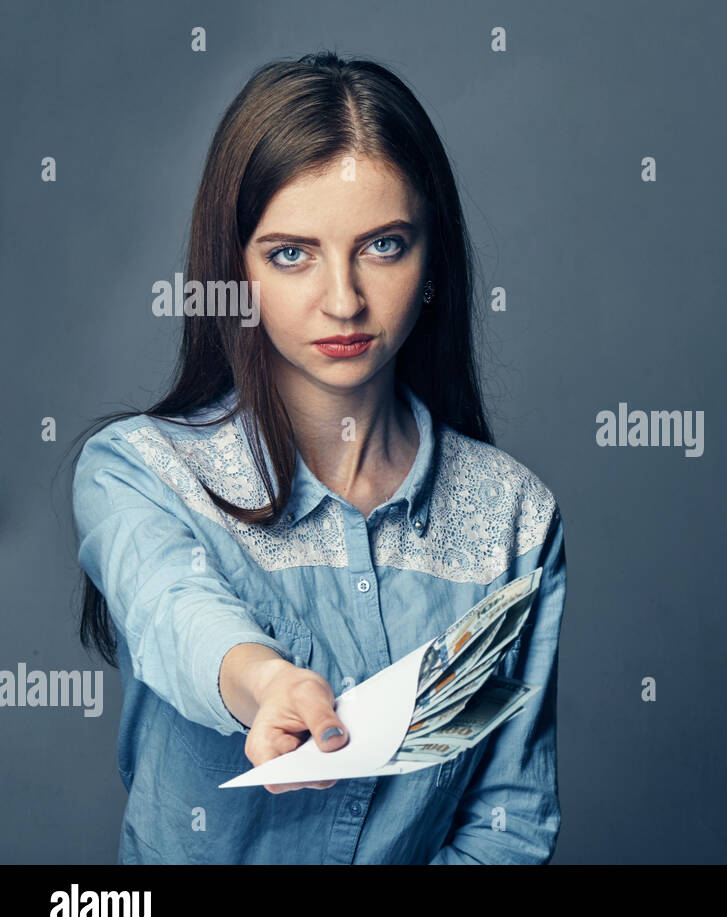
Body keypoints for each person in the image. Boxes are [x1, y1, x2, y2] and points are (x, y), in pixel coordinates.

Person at [69, 51, 566, 864]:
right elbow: (169, 605)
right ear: (235, 270)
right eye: (291, 254)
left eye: (383, 245)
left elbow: (508, 822)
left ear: (433, 258)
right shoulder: (138, 470)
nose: (343, 299)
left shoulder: (514, 518)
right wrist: (265, 681)